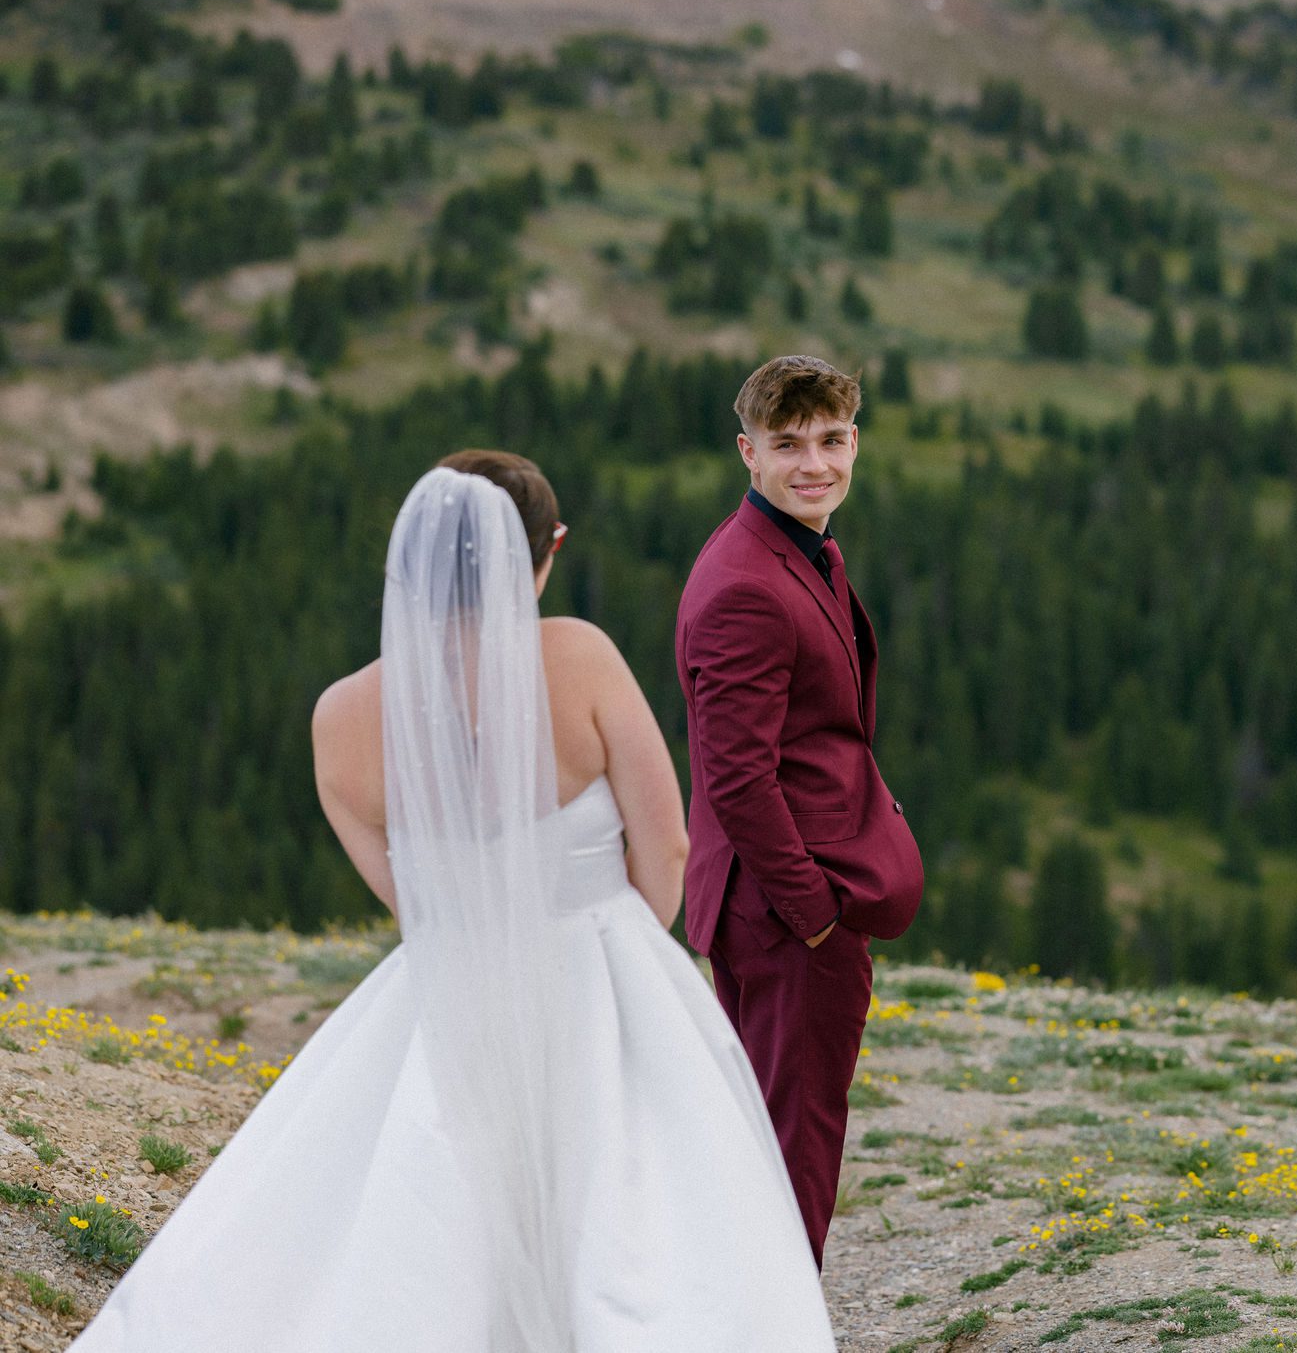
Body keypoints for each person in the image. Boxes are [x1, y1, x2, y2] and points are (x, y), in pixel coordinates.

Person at [71, 451, 834, 1351]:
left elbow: (410, 901)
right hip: (602, 967)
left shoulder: (341, 716)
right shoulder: (580, 656)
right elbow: (666, 840)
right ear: (545, 550)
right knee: (651, 1220)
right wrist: (623, 945)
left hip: (449, 987)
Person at [675, 355, 924, 1268]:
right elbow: (737, 778)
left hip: (770, 904)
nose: (814, 463)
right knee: (796, 1142)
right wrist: (815, 917)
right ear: (749, 452)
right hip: (783, 913)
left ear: (854, 440)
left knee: (768, 1133)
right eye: (788, 446)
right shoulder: (748, 583)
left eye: (830, 440)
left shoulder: (792, 547)